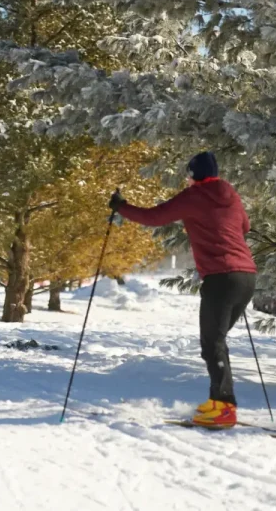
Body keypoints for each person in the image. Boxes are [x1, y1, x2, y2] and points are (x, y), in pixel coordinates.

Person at [109, 151, 256, 427]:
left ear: (192, 175)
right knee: (216, 342)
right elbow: (245, 226)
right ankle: (219, 401)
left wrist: (121, 207)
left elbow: (154, 217)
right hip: (246, 276)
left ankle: (224, 406)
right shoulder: (231, 195)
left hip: (221, 277)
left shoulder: (194, 196)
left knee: (212, 343)